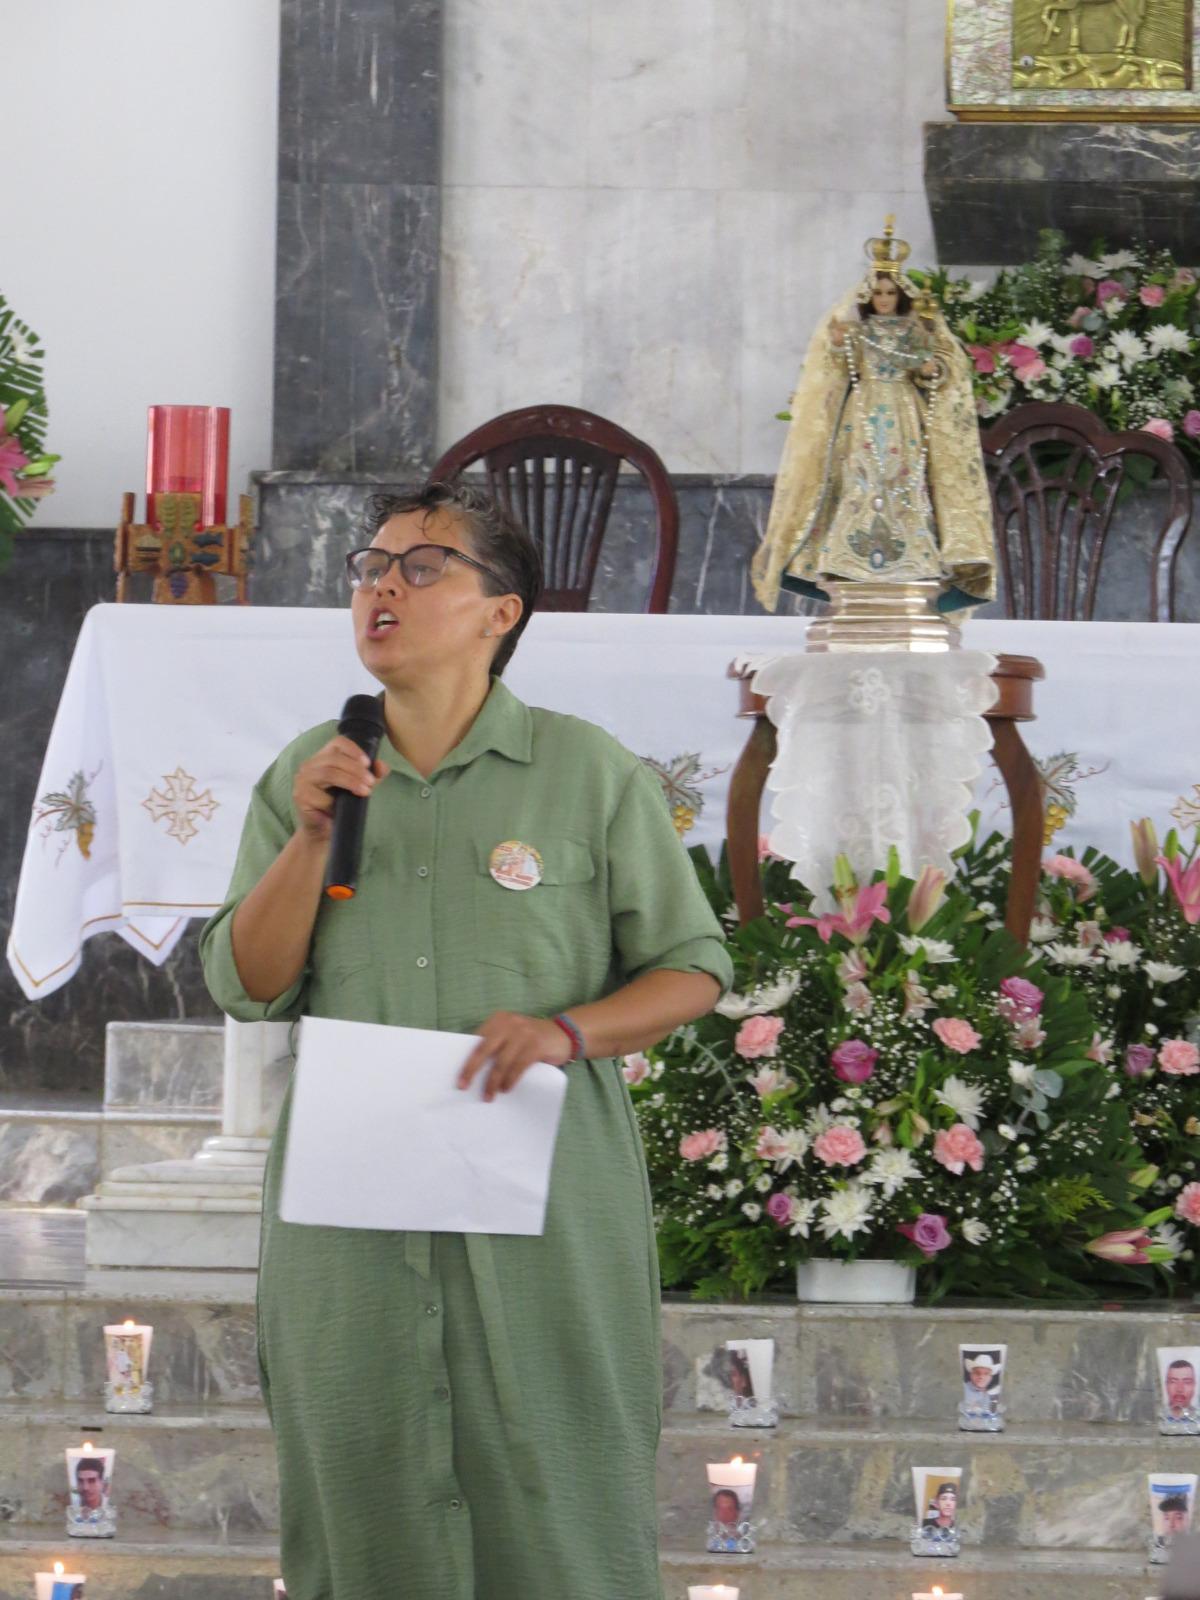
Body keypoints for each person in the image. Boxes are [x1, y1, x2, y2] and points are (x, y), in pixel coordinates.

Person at [199, 481, 732, 1600]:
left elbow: (695, 967)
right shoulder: (317, 769)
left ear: (502, 612)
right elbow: (249, 985)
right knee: (361, 1468)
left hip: (543, 1181)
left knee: (555, 1474)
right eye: (369, 565)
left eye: (422, 564)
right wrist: (307, 838)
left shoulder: (585, 771)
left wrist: (564, 1028)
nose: (381, 584)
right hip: (352, 1191)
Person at [751, 216, 995, 615]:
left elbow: (937, 365)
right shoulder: (856, 330)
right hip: (862, 411)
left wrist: (933, 367)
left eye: (889, 292)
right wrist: (835, 344)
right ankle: (847, 561)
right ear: (869, 295)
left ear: (900, 295)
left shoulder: (915, 329)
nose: (883, 299)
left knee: (905, 478)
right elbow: (837, 370)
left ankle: (913, 558)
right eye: (878, 292)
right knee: (858, 478)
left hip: (902, 411)